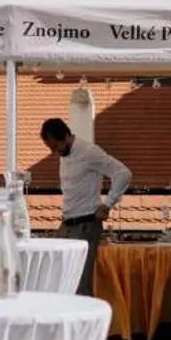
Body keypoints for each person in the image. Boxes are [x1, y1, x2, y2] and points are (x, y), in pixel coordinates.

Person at [41, 118, 131, 298]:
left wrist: (108, 204)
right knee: (59, 278)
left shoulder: (89, 152)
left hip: (86, 223)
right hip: (67, 223)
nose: (55, 152)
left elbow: (123, 173)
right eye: (50, 148)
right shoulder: (64, 154)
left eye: (56, 146)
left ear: (66, 136)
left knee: (79, 282)